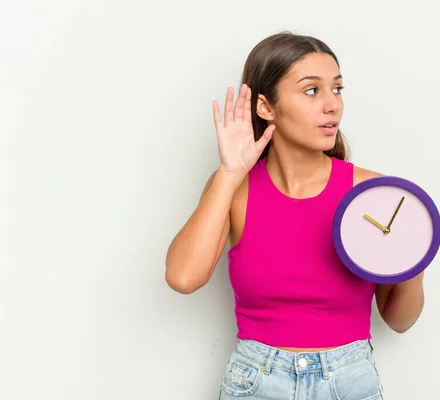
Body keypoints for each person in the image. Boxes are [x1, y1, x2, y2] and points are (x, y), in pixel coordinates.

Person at [165, 31, 425, 399]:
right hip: (256, 381)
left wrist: (413, 259)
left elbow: (399, 320)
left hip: (349, 381)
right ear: (266, 107)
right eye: (312, 90)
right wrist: (229, 173)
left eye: (337, 89)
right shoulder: (235, 189)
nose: (332, 105)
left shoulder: (372, 194)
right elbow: (183, 277)